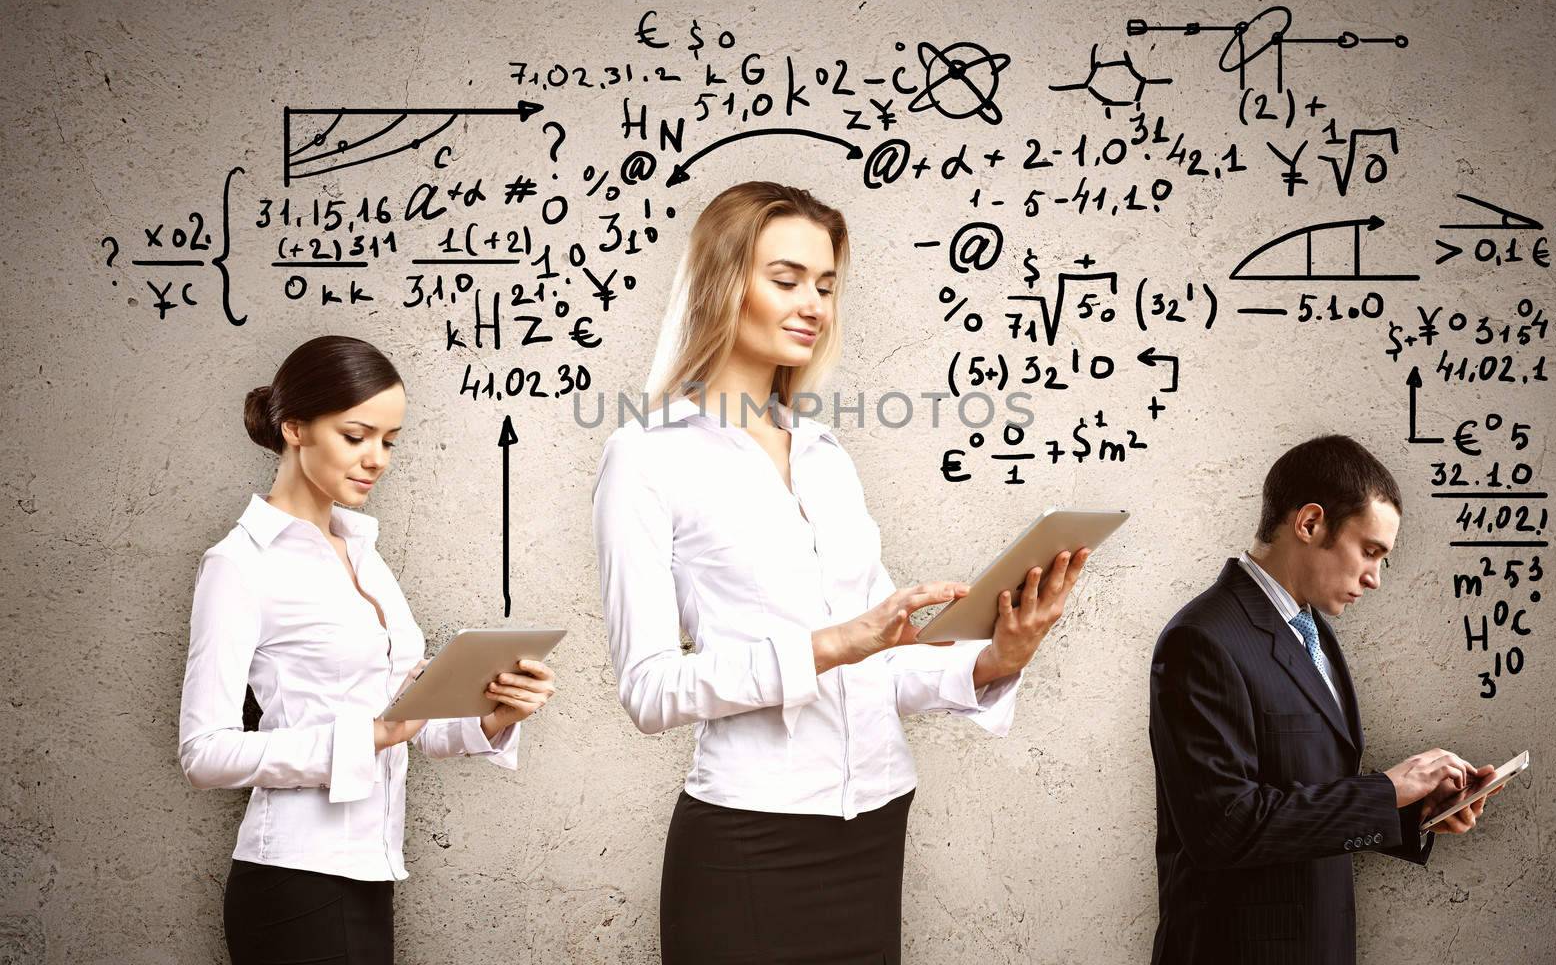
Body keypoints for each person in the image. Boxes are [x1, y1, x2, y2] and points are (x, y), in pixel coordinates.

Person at [591, 181, 1091, 964]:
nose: (814, 305)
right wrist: (826, 646)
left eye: (825, 286)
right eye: (785, 280)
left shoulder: (825, 456)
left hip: (875, 824)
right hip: (750, 845)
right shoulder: (647, 457)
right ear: (724, 284)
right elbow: (648, 692)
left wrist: (998, 659)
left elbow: (880, 663)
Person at [178, 335, 556, 965]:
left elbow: (405, 720)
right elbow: (204, 754)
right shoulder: (239, 565)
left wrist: (494, 717)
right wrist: (369, 736)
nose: (377, 458)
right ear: (294, 427)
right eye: (356, 436)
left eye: (389, 440)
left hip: (372, 873)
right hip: (293, 882)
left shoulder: (364, 556)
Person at [1148, 434, 1497, 965]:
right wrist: (1384, 790)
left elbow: (1303, 791)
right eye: (1371, 551)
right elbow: (1225, 828)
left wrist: (1412, 811)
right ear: (1310, 524)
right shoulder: (1202, 639)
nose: (1375, 579)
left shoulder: (1312, 631)